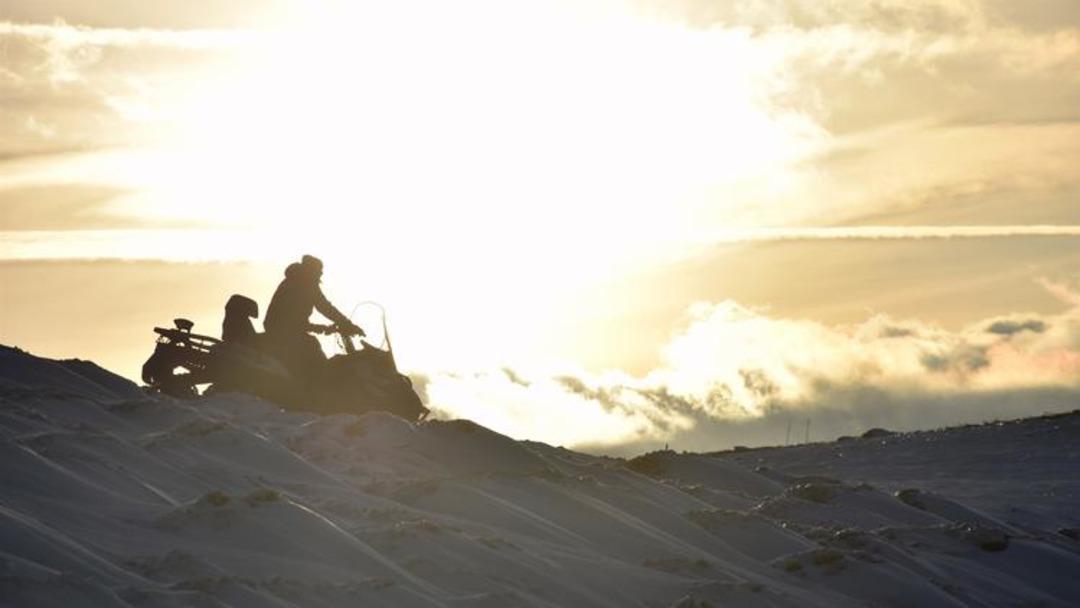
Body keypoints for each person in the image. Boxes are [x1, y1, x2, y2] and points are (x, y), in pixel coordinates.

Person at [263, 255, 362, 381]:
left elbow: (324, 307)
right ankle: (313, 388)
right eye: (319, 270)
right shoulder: (300, 285)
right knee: (314, 353)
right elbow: (293, 320)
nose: (321, 273)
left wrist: (346, 324)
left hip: (285, 329)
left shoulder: (302, 283)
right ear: (311, 270)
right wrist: (326, 328)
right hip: (281, 331)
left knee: (311, 347)